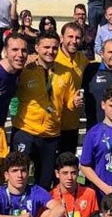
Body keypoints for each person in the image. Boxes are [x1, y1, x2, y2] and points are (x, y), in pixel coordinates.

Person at [12, 32, 82, 189]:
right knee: (17, 176)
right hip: (25, 130)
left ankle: (40, 213)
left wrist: (74, 102)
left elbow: (69, 101)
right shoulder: (24, 70)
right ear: (36, 48)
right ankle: (15, 211)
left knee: (45, 182)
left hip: (51, 134)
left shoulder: (66, 72)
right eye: (46, 47)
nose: (50, 51)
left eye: (54, 48)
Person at [55, 23, 90, 155]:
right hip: (52, 123)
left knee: (67, 163)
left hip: (72, 123)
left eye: (78, 38)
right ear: (61, 38)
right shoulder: (52, 57)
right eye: (70, 37)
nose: (74, 41)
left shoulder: (82, 59)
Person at [51, 152, 99, 217]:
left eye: (73, 173)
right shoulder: (50, 196)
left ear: (78, 172)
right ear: (57, 174)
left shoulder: (90, 193)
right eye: (65, 173)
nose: (69, 177)